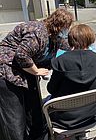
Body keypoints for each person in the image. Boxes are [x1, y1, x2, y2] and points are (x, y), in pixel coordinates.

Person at [0, 8, 74, 140]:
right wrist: (36, 71)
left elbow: (68, 46)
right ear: (58, 26)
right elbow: (21, 55)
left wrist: (83, 48)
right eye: (66, 28)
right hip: (8, 71)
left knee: (35, 113)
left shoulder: (55, 35)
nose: (66, 31)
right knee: (15, 118)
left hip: (26, 71)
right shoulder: (38, 32)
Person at [47, 24, 96, 131]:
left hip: (65, 119)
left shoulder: (60, 61)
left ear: (70, 40)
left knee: (45, 104)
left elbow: (51, 89)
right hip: (93, 114)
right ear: (90, 39)